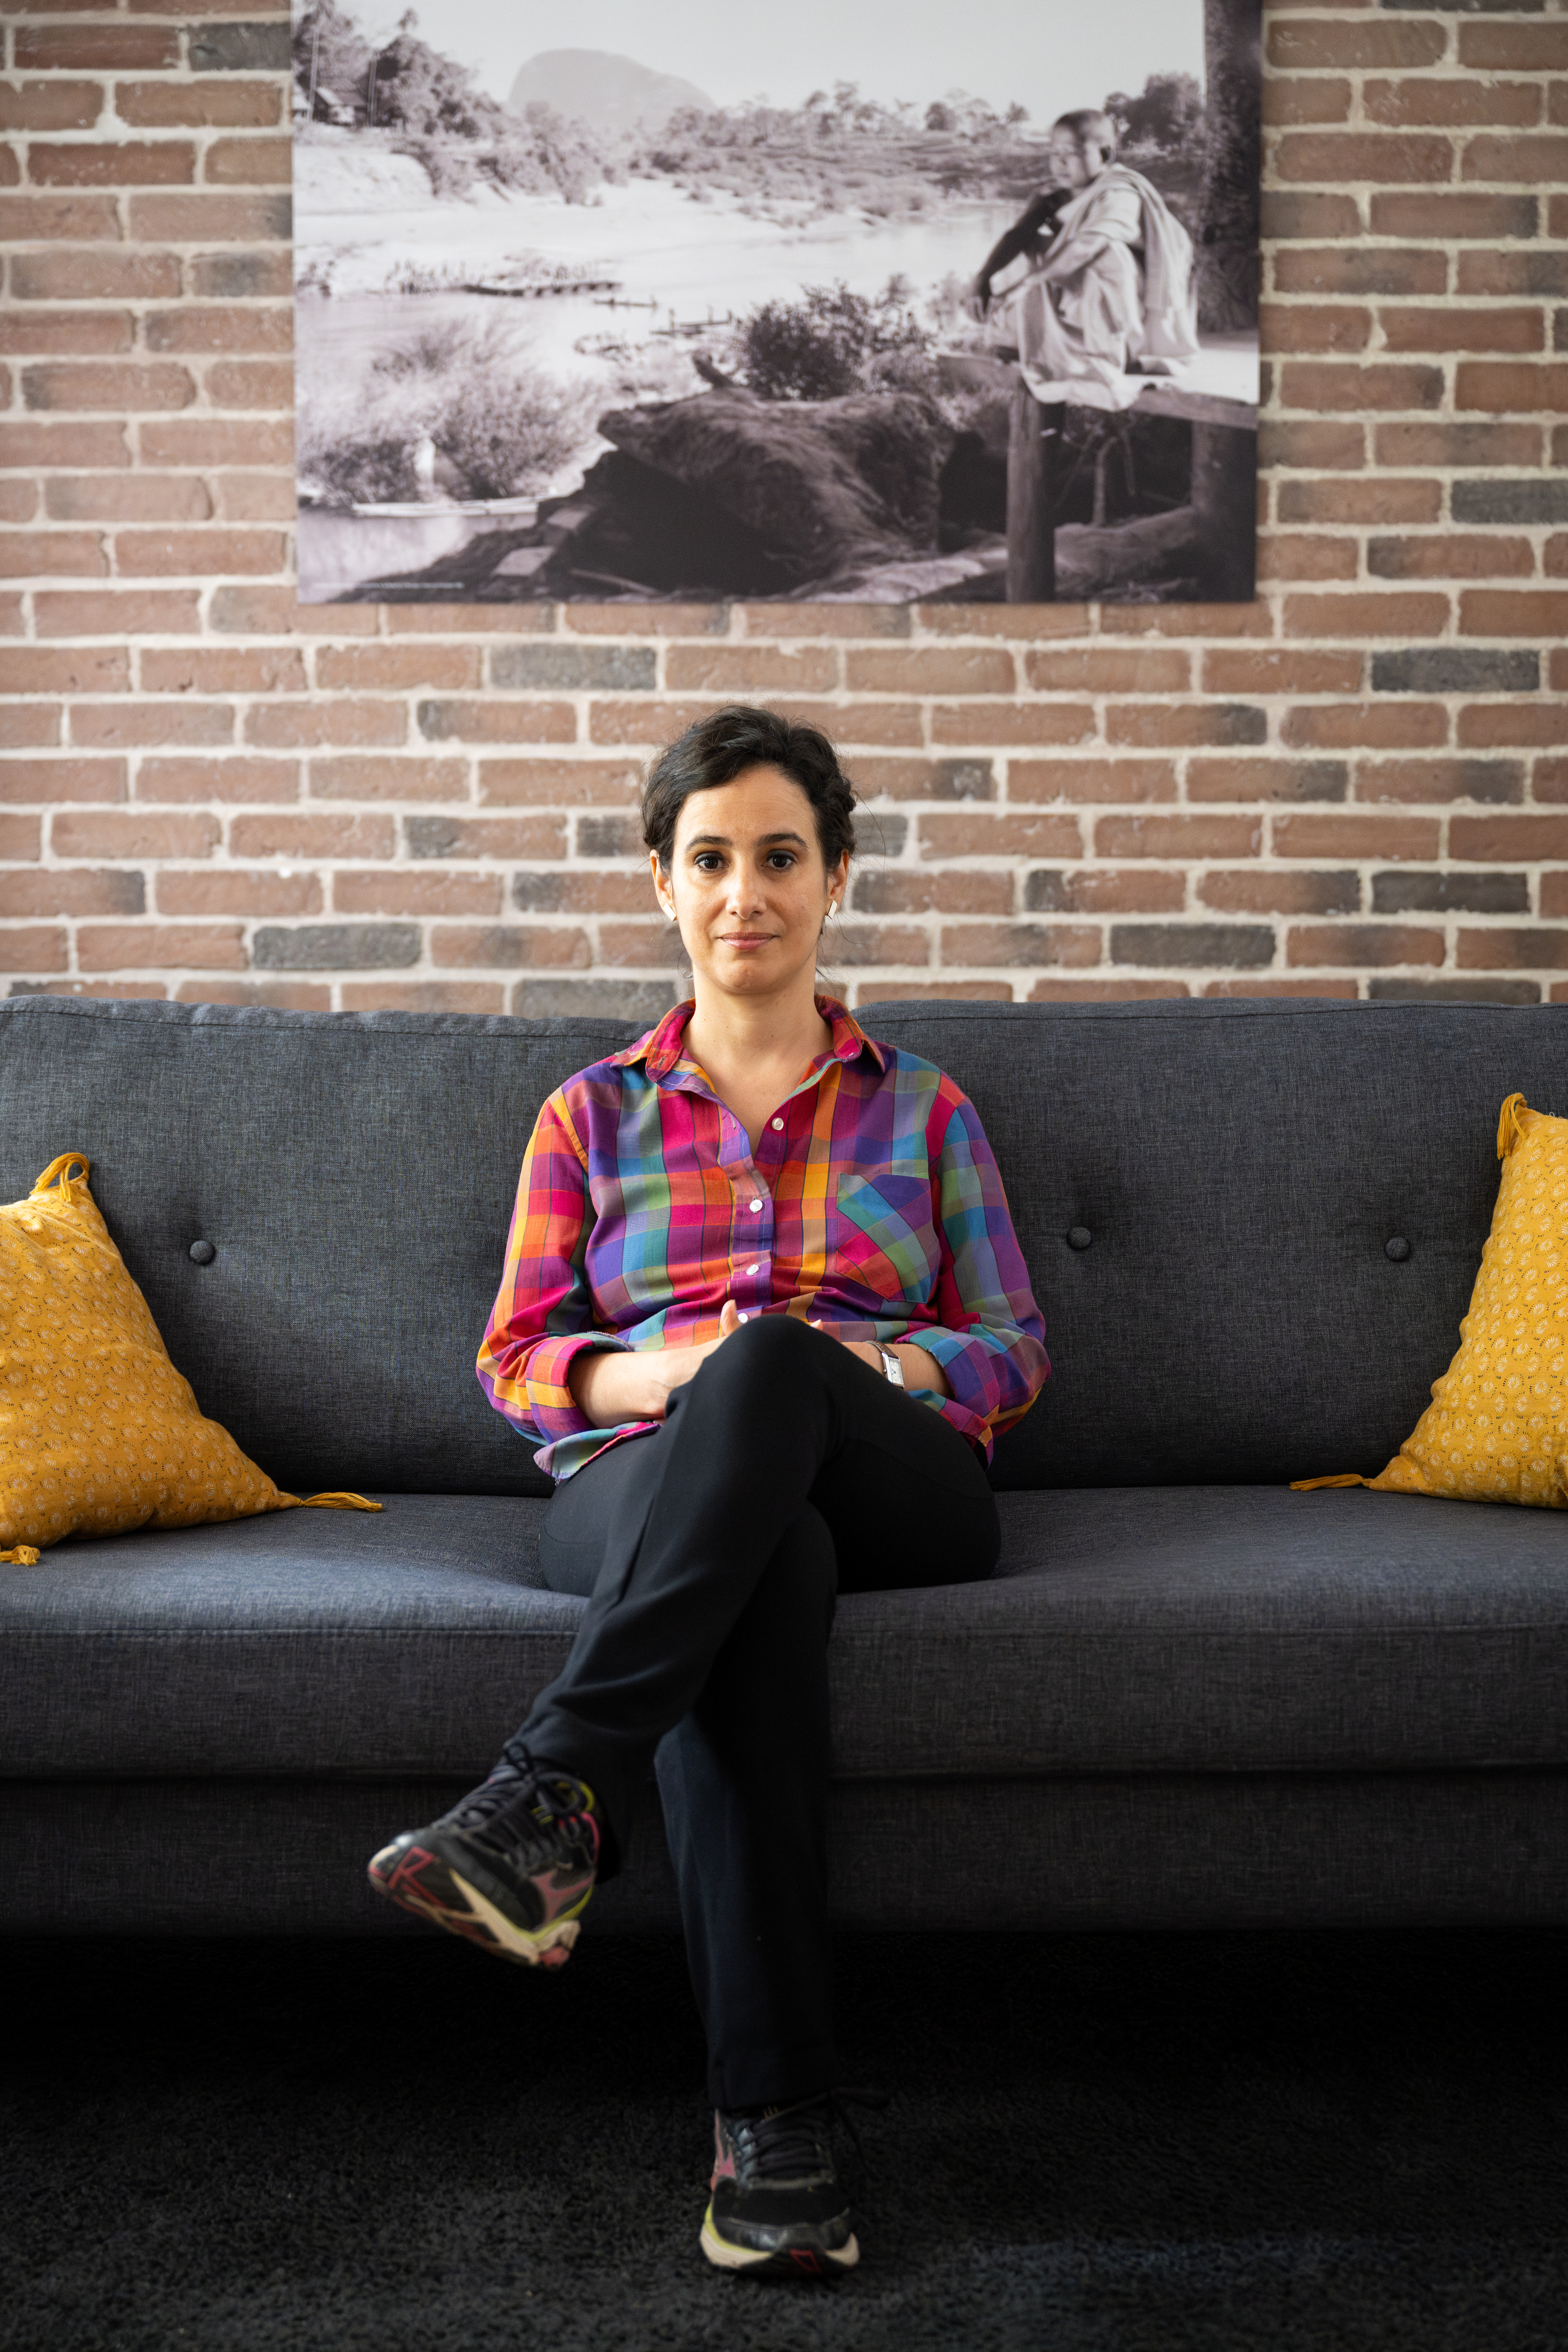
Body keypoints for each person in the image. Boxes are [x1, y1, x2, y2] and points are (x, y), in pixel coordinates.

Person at [368, 706, 1049, 2279]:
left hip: (904, 1483)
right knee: (764, 1551)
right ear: (660, 884)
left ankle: (549, 1789)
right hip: (640, 1482)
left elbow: (1009, 1353)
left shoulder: (925, 1106)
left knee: (775, 1369)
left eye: (780, 856)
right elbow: (522, 1361)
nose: (746, 888)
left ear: (835, 879)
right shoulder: (585, 1114)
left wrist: (820, 1372)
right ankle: (776, 2128)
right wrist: (685, 1376)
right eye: (710, 856)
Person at [969, 109, 1198, 409]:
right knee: (1033, 248)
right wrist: (982, 279)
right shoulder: (1054, 198)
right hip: (1080, 296)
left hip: (1135, 303)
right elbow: (1018, 234)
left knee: (1109, 254)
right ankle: (1020, 339)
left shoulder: (1121, 192)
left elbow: (1091, 243)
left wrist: (1029, 283)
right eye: (1055, 153)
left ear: (1106, 154)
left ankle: (1113, 353)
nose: (1061, 163)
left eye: (1073, 153)